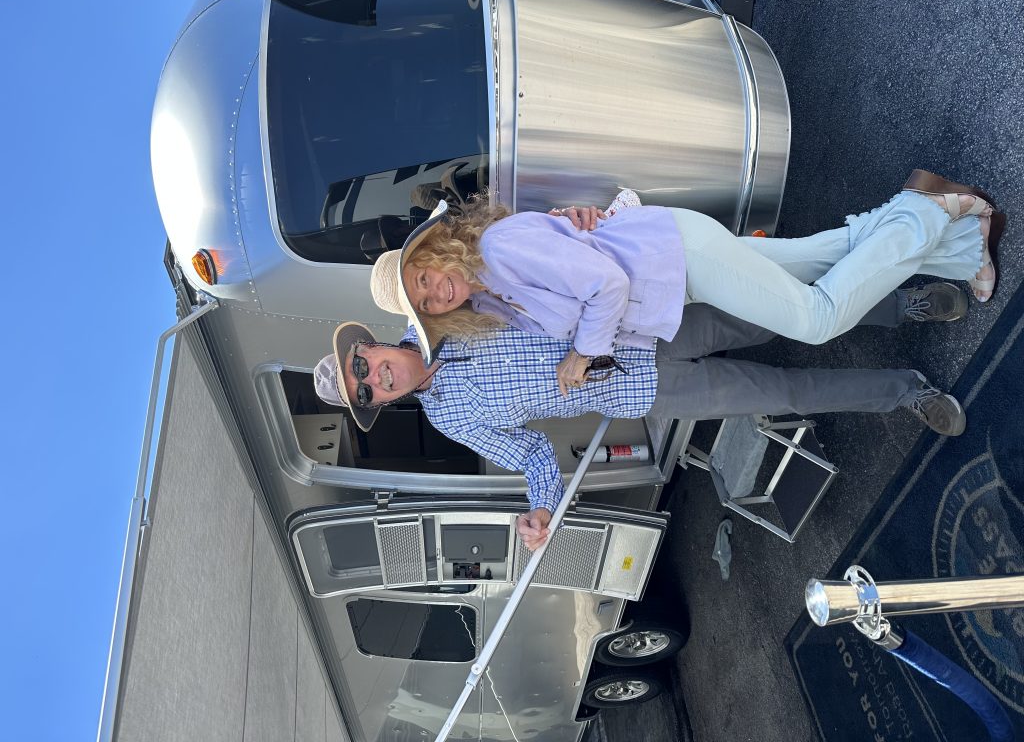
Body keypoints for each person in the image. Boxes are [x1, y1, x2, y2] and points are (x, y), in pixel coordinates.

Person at [312, 301, 968, 550]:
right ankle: (908, 392)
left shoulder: (439, 308)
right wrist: (540, 511)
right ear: (379, 403)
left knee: (786, 315)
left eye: (361, 365)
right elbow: (534, 455)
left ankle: (903, 304)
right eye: (365, 392)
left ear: (370, 343)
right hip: (647, 389)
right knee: (785, 390)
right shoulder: (449, 417)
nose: (374, 378)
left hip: (644, 323)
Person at [368, 172, 1005, 393]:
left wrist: (582, 355)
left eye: (424, 277)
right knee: (822, 256)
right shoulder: (491, 292)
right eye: (425, 301)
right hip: (677, 266)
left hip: (677, 257)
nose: (435, 292)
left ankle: (923, 211)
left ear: (436, 251)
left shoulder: (499, 249)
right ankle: (961, 245)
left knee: (816, 319)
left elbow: (605, 285)